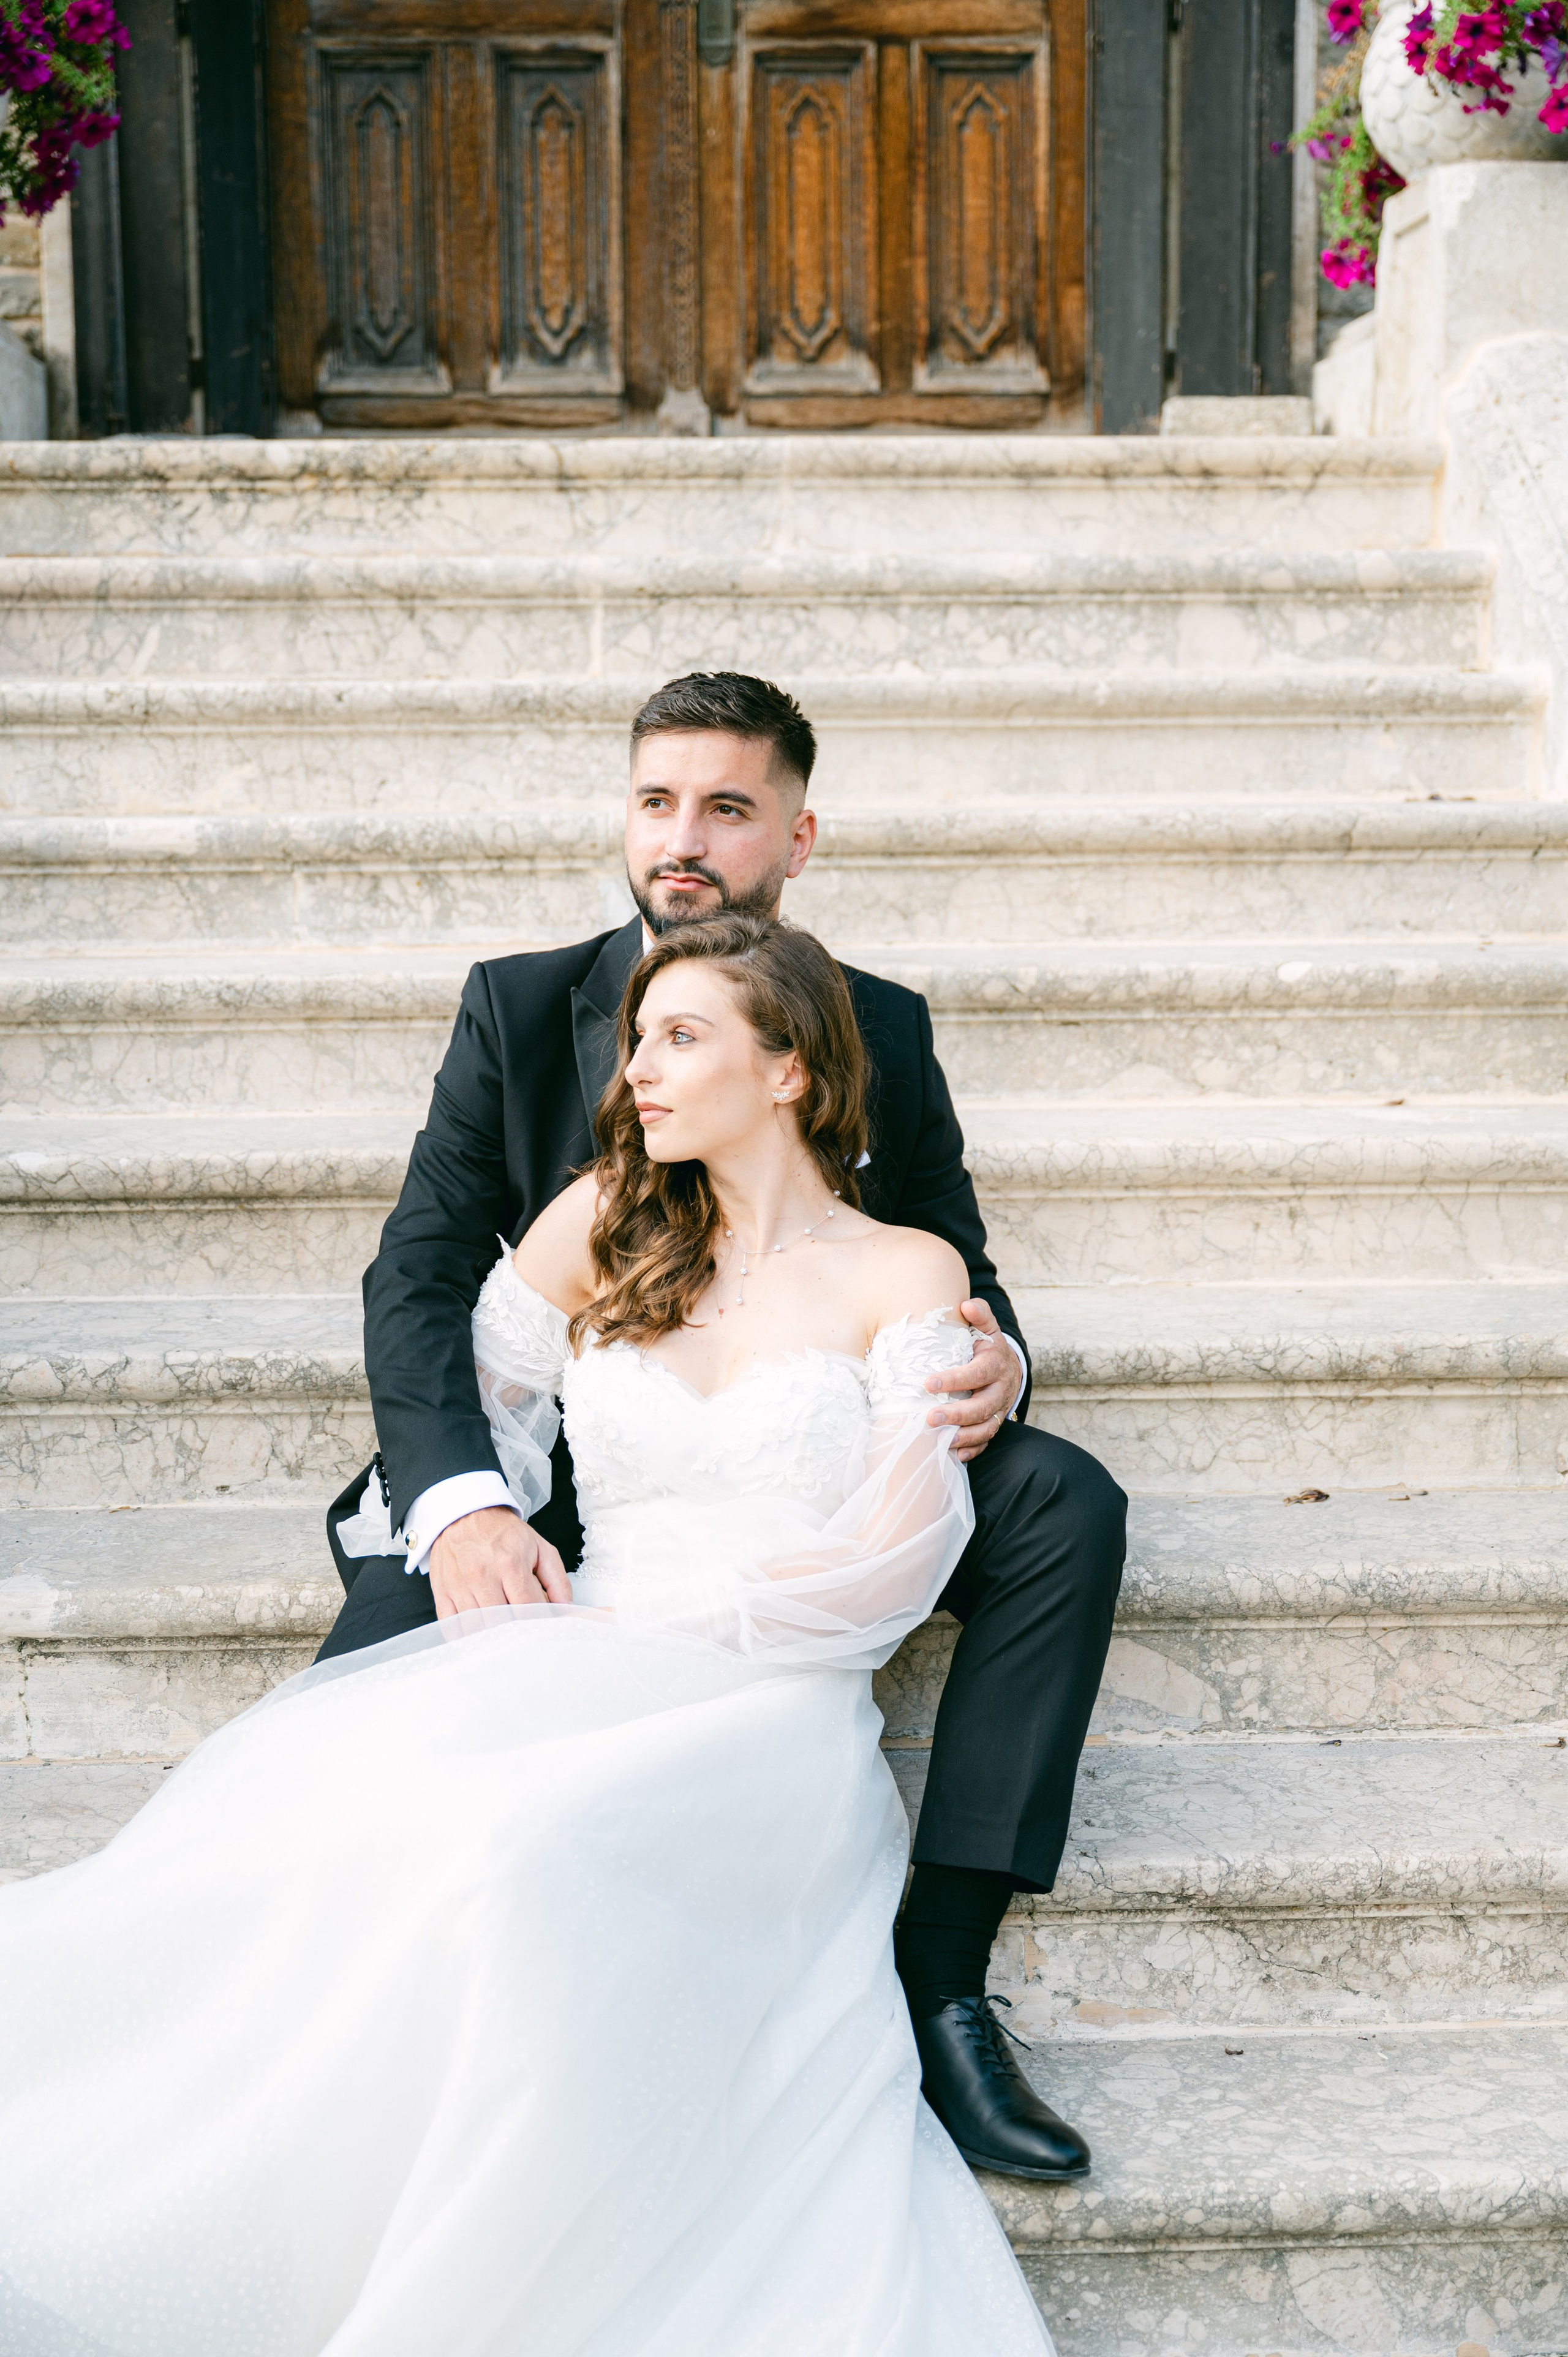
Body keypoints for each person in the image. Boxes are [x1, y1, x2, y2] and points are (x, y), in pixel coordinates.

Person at [0, 915, 1055, 2355]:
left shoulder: (905, 1273)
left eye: (682, 1038)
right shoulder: (599, 1219)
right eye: (636, 1040)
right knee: (360, 1818)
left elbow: (895, 1555)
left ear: (792, 1069)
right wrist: (478, 1518)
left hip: (767, 1701)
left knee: (521, 1850)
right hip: (585, 1647)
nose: (638, 1073)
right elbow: (479, 1395)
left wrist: (685, 1621)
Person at [327, 670, 1127, 2179]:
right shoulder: (518, 1001)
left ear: (796, 836)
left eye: (724, 806)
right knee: (372, 1720)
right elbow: (425, 1278)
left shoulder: (875, 1024)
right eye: (653, 801)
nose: (680, 837)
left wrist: (994, 1366)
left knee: (1064, 1497)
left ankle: (942, 1970)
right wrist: (462, 1505)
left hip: (809, 1449)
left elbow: (952, 1254)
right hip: (583, 1468)